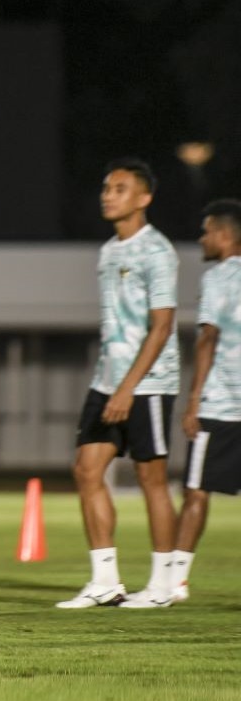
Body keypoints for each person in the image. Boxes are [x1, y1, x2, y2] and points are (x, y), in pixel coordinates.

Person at [56, 157, 180, 609]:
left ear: (144, 198)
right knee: (86, 470)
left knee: (151, 478)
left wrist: (128, 388)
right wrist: (113, 383)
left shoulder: (157, 252)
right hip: (107, 379)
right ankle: (105, 581)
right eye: (106, 188)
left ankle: (163, 586)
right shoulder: (109, 251)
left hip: (148, 384)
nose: (108, 195)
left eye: (120, 189)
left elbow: (161, 328)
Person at [167, 199, 241, 605]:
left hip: (222, 406)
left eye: (207, 230)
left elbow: (208, 338)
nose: (202, 238)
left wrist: (193, 400)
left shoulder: (218, 279)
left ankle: (175, 582)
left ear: (226, 235)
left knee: (196, 492)